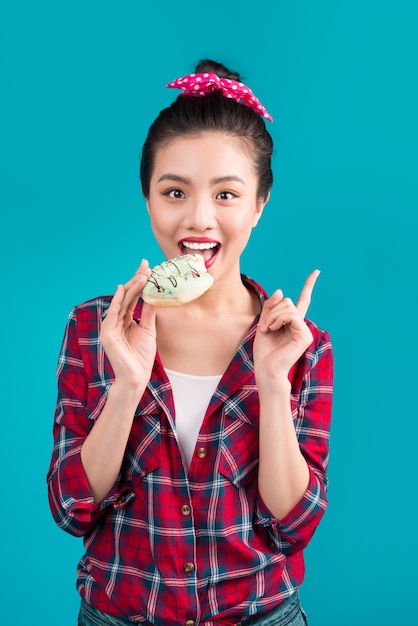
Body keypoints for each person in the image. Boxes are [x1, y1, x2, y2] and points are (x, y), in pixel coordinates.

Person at [47, 59, 333, 626]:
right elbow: (72, 509)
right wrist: (128, 384)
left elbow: (293, 525)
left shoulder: (301, 345)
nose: (198, 219)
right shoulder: (93, 327)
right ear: (148, 198)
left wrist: (273, 383)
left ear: (259, 204)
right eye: (174, 191)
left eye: (226, 195)